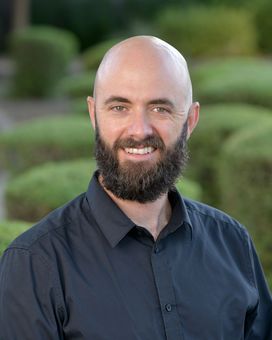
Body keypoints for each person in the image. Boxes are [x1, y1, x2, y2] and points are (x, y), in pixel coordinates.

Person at [0, 36, 271, 340]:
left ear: (190, 120)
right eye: (119, 107)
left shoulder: (233, 244)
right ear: (94, 115)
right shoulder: (36, 264)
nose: (139, 130)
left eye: (160, 109)